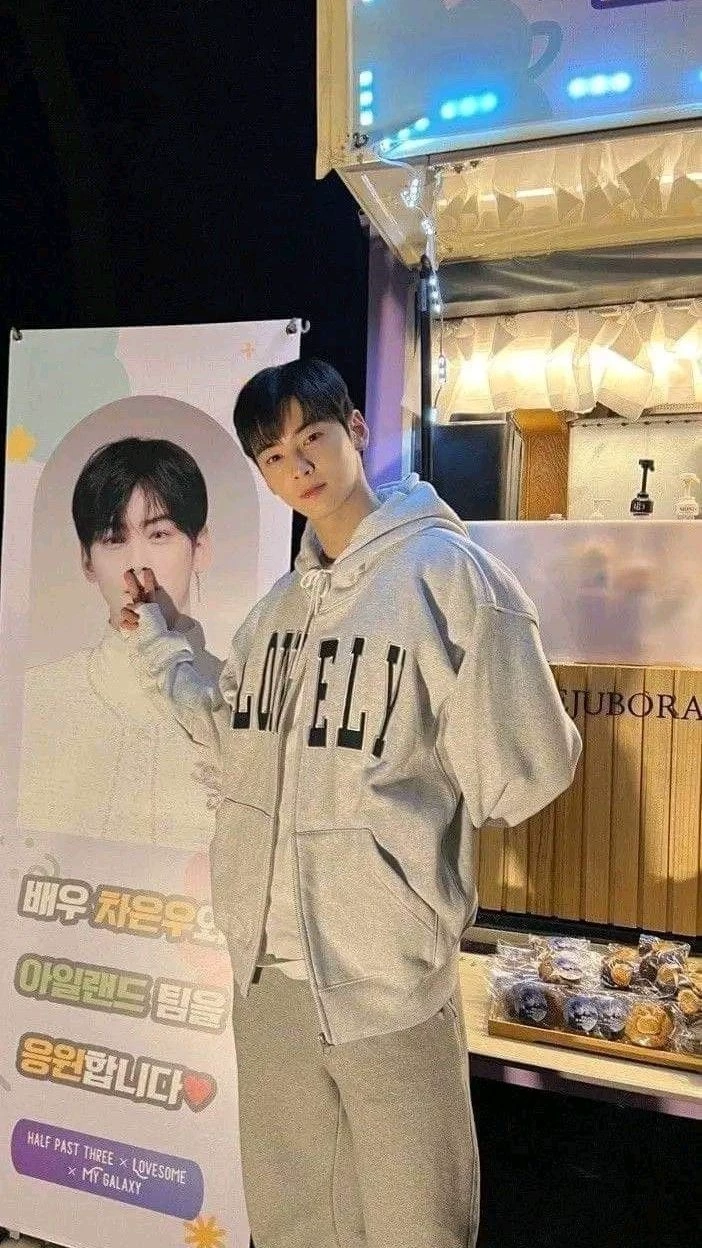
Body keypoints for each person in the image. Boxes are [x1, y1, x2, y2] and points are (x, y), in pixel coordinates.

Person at [121, 358, 582, 1248]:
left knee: (416, 1226)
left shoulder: (449, 577)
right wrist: (165, 642)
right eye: (274, 456)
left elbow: (522, 773)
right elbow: (233, 743)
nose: (299, 467)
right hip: (270, 979)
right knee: (293, 1223)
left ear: (356, 432)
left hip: (387, 981)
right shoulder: (277, 613)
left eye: (314, 438)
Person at [18, 436, 221, 847]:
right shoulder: (36, 697)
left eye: (159, 534)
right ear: (87, 561)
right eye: (114, 538)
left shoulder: (239, 695)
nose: (137, 562)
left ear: (200, 547)